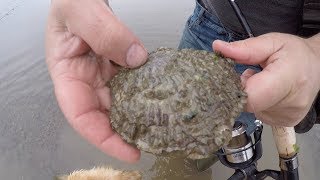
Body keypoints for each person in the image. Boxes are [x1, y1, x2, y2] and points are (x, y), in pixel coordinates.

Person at [45, 0, 320, 163]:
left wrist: (314, 54)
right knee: (197, 149)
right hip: (206, 25)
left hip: (299, 45)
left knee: (227, 137)